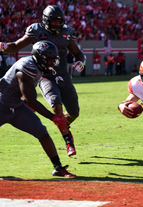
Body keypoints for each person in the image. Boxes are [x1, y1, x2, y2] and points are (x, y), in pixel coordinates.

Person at [0, 5, 85, 157]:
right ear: (46, 21)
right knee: (56, 105)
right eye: (54, 22)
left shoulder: (67, 33)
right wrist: (4, 47)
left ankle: (64, 125)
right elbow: (16, 46)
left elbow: (78, 53)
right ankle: (68, 140)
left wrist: (81, 62)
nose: (57, 25)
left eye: (60, 22)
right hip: (45, 75)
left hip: (63, 75)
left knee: (74, 112)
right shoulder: (37, 31)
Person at [0, 40, 76, 177]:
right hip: (2, 105)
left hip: (17, 107)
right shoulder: (26, 68)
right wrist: (53, 117)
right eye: (49, 60)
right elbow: (31, 100)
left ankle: (58, 168)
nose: (52, 63)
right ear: (40, 58)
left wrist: (27, 104)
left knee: (41, 132)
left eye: (54, 60)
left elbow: (26, 98)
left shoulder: (37, 66)